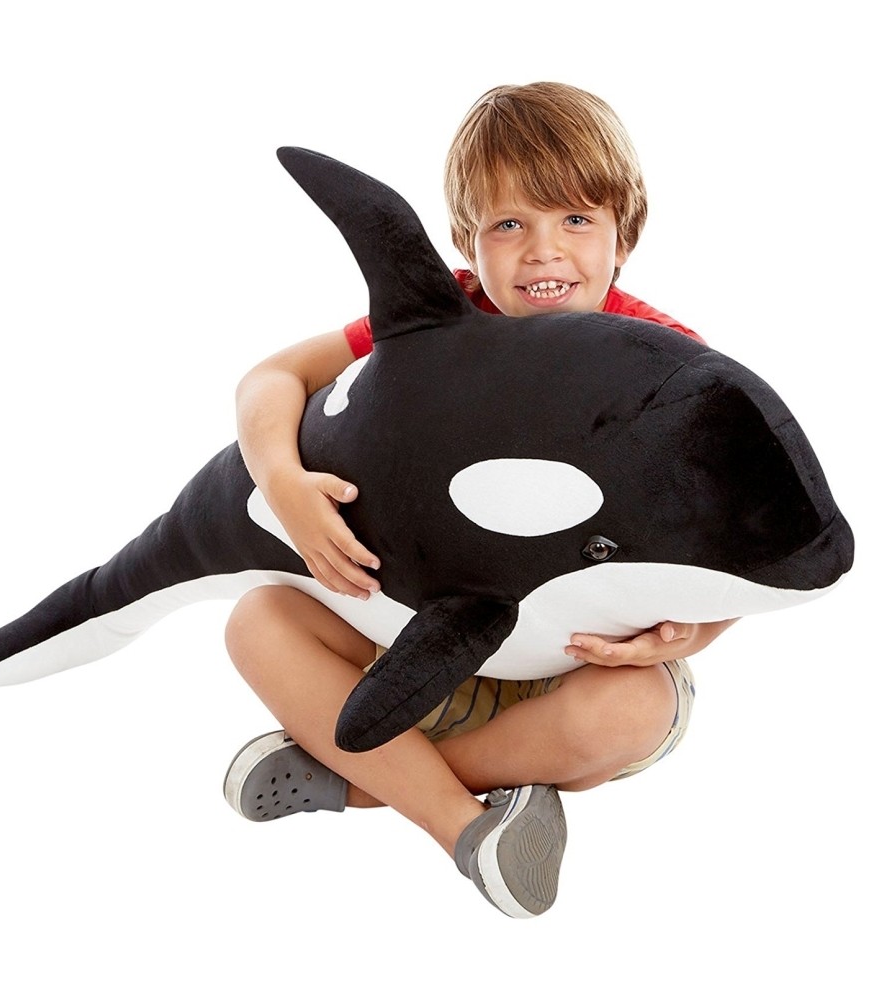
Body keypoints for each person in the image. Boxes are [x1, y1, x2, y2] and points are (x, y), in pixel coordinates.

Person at [222, 82, 736, 918]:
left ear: (625, 234)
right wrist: (283, 483)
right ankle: (464, 824)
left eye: (576, 219)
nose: (544, 252)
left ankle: (375, 784)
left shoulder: (667, 363)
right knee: (258, 620)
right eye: (509, 225)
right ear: (465, 240)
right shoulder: (439, 320)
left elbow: (740, 536)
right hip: (413, 655)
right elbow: (273, 377)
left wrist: (696, 630)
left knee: (633, 710)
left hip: (569, 672)